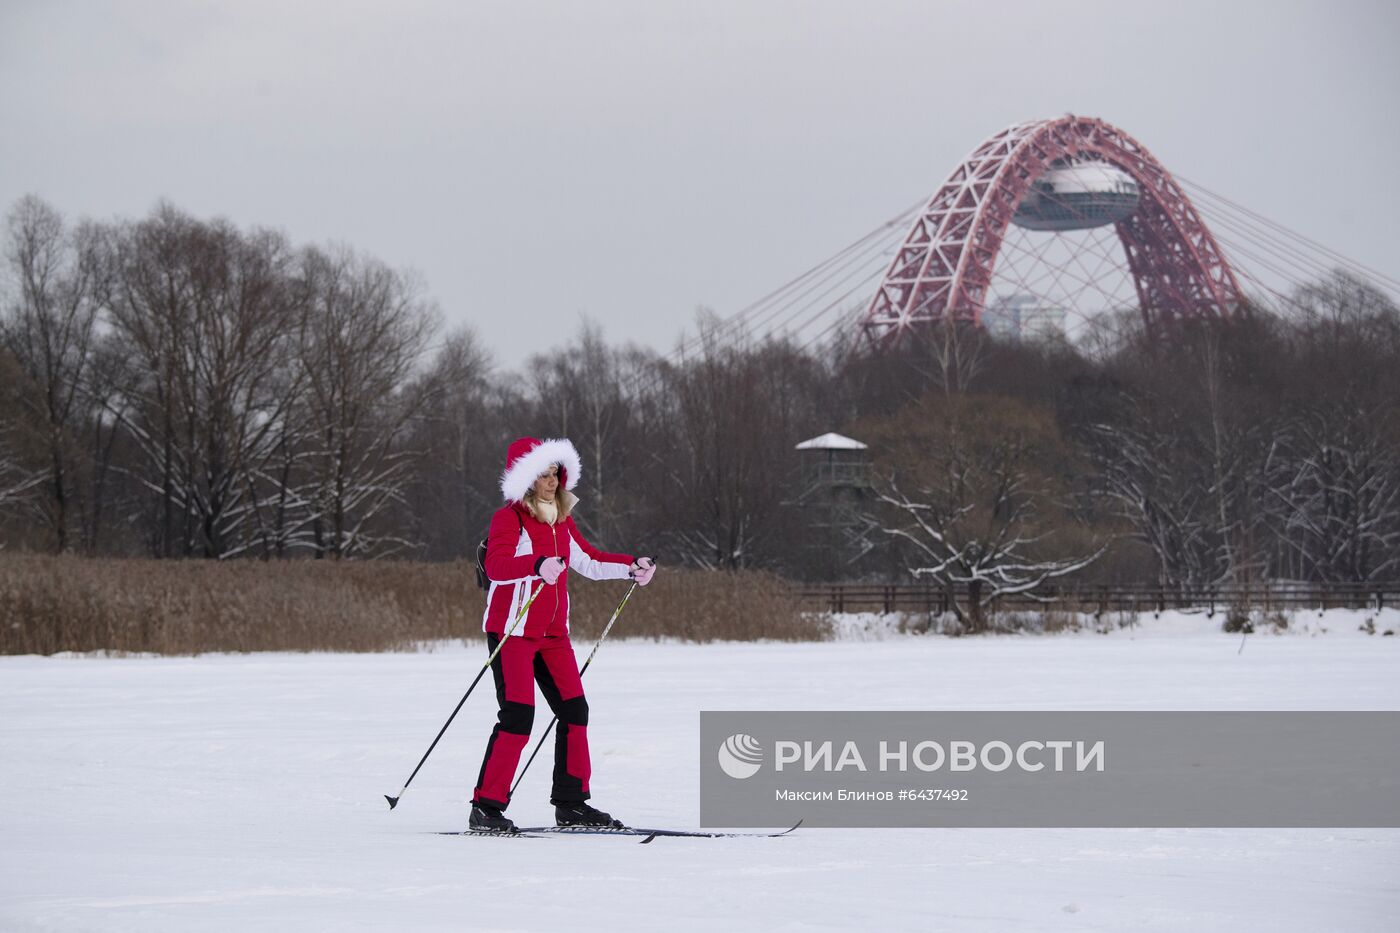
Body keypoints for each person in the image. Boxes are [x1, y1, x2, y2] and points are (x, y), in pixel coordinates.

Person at [470, 436, 656, 833]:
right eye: (543, 475)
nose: (552, 481)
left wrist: (631, 566)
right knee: (518, 717)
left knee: (575, 712)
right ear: (525, 478)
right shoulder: (509, 519)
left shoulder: (561, 520)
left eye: (556, 473)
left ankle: (571, 803)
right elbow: (498, 566)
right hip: (513, 632)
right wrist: (535, 565)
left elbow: (588, 561)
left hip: (553, 636)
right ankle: (486, 807)